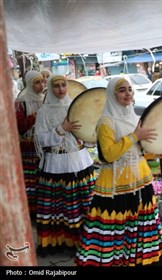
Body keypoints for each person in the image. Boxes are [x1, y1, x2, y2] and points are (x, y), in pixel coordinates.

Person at [75, 77, 162, 266]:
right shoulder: (106, 122)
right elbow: (108, 155)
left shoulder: (135, 118)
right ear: (112, 94)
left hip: (140, 178)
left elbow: (139, 149)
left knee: (141, 222)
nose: (128, 93)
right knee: (116, 226)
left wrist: (161, 153)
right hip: (115, 184)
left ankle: (143, 259)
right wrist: (134, 136)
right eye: (122, 90)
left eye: (130, 89)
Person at [34, 75, 96, 257]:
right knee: (58, 206)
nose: (61, 89)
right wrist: (62, 129)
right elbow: (40, 140)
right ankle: (58, 241)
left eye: (64, 85)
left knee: (80, 204)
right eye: (56, 86)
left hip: (79, 161)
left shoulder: (76, 107)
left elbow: (89, 134)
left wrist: (85, 134)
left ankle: (83, 241)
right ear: (50, 89)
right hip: (55, 164)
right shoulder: (44, 112)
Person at [15, 70, 46, 217]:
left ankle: (41, 212)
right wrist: (35, 116)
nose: (41, 85)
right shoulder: (21, 102)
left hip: (44, 146)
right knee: (30, 182)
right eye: (37, 82)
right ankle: (29, 213)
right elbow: (19, 128)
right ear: (29, 84)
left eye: (42, 81)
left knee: (42, 180)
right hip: (28, 147)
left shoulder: (46, 99)